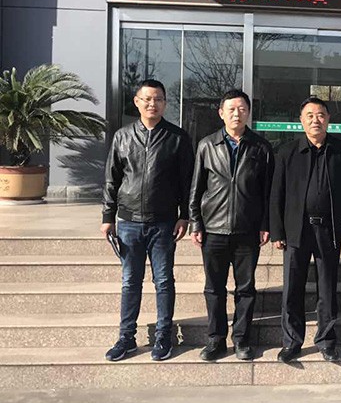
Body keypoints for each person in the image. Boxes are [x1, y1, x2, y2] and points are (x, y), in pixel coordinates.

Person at [101, 79, 194, 362]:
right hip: (129, 222)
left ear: (165, 103)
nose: (153, 104)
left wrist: (184, 216)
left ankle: (164, 336)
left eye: (158, 99)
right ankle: (126, 337)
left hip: (163, 222)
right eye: (148, 99)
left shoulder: (177, 138)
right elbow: (112, 179)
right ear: (137, 102)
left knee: (164, 281)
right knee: (130, 281)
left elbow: (187, 182)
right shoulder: (123, 136)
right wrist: (108, 216)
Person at [270, 97, 341, 364]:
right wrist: (277, 232)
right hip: (295, 230)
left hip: (329, 229)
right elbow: (276, 194)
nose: (315, 120)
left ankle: (327, 341)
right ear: (301, 120)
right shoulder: (287, 152)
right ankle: (291, 342)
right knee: (292, 288)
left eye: (320, 115)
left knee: (327, 288)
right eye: (309, 115)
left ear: (328, 119)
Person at [190, 89, 273, 362]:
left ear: (248, 112)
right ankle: (215, 339)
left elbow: (267, 192)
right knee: (214, 288)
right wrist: (195, 222)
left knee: (245, 289)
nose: (237, 114)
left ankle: (241, 339)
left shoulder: (261, 147)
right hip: (213, 228)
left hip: (247, 229)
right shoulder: (207, 145)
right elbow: (196, 188)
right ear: (221, 113)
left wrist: (265, 224)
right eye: (231, 109)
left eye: (242, 109)